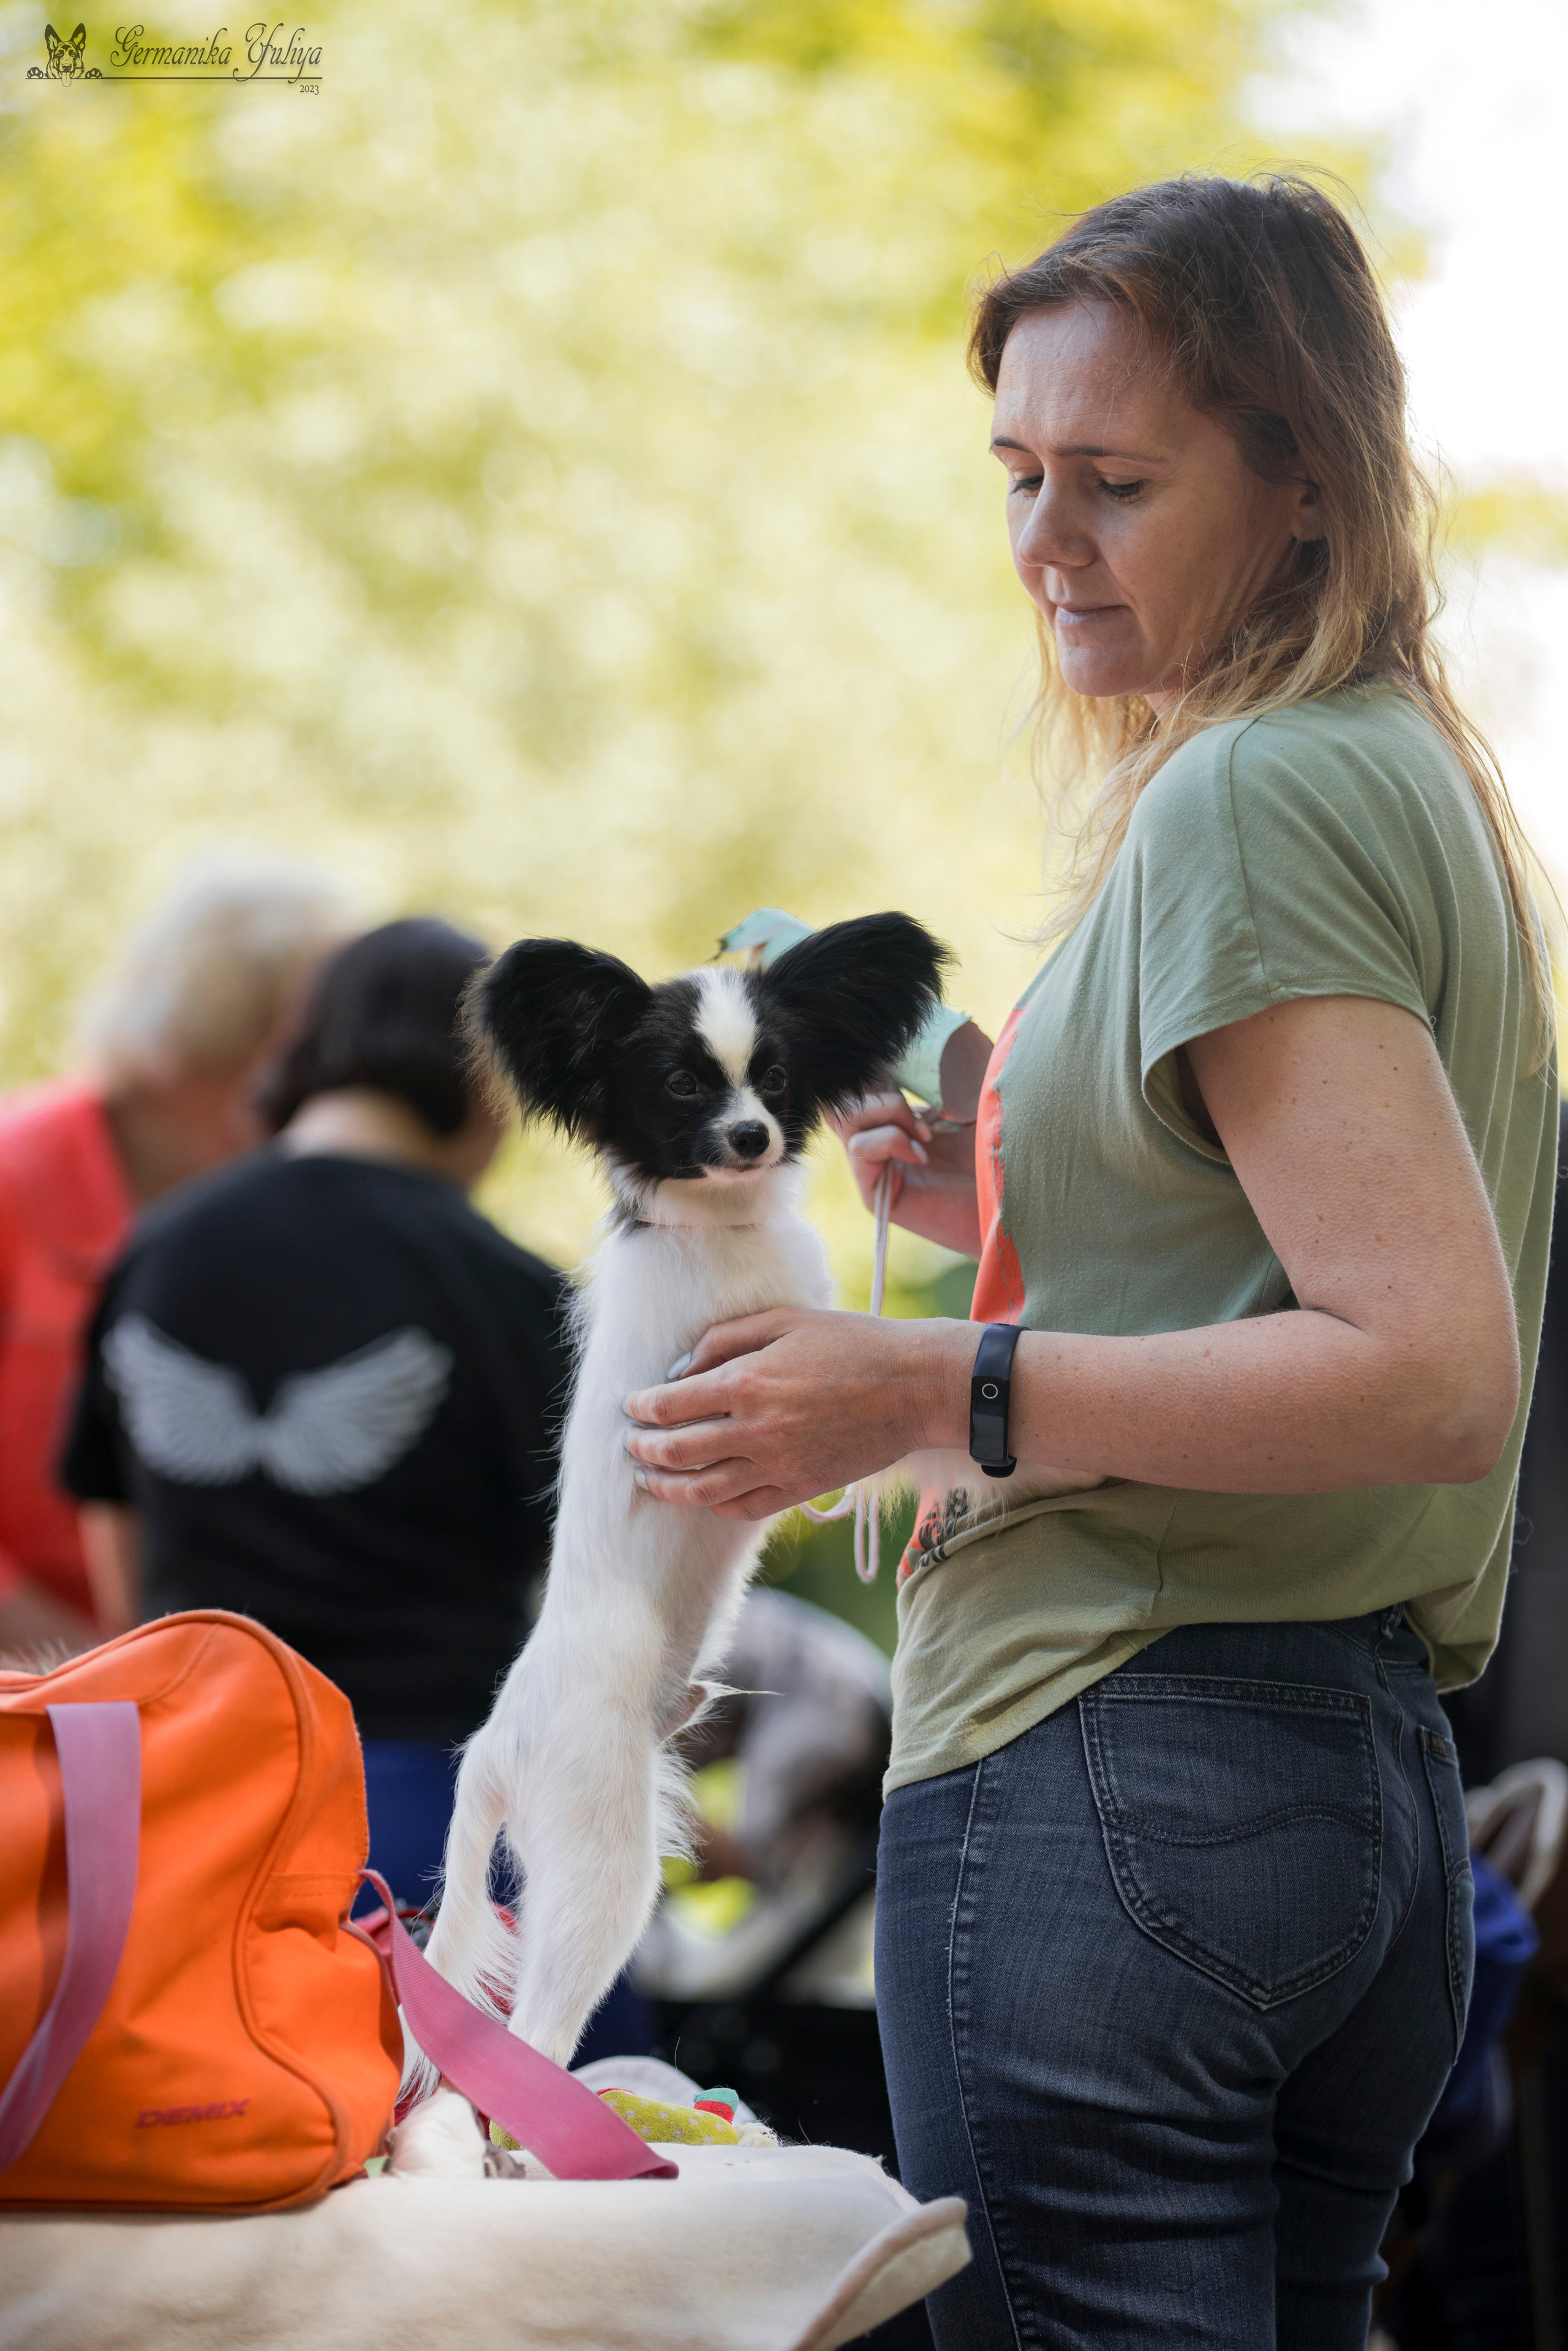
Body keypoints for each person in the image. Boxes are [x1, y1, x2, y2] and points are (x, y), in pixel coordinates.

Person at [620, 176, 1558, 2346]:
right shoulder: (1404, 771)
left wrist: (920, 1380)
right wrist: (1002, 1173)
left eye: (1117, 479)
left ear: (1306, 478)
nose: (1046, 537)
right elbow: (1280, 1252)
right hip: (1342, 1789)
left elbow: (1428, 1363)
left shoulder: (1250, 795)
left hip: (1115, 1764)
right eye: (1020, 473)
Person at [62, 918, 571, 1925]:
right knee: (488, 2082)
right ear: (485, 1081)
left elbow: (110, 1513)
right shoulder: (511, 1293)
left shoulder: (157, 1249)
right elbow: (580, 1584)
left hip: (180, 1799)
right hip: (423, 1822)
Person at [0, 856, 345, 1658]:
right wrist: (68, 1656)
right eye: (272, 1067)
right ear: (190, 1048)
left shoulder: (289, 1213)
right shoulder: (18, 1178)